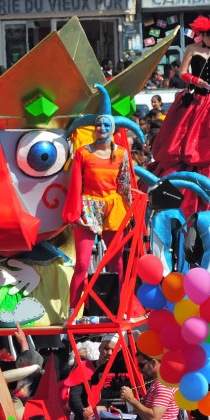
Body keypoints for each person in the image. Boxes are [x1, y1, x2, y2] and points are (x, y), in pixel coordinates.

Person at [150, 15, 210, 268]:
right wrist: (195, 81)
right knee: (187, 149)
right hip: (197, 102)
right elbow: (182, 72)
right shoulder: (192, 49)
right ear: (202, 34)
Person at [63, 85, 142, 313]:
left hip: (113, 208)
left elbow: (126, 185)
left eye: (106, 124)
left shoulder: (121, 154)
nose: (102, 127)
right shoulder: (83, 153)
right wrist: (73, 211)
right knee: (82, 264)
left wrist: (129, 214)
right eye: (98, 124)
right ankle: (73, 311)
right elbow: (75, 184)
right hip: (88, 207)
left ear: (113, 128)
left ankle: (120, 306)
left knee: (117, 263)